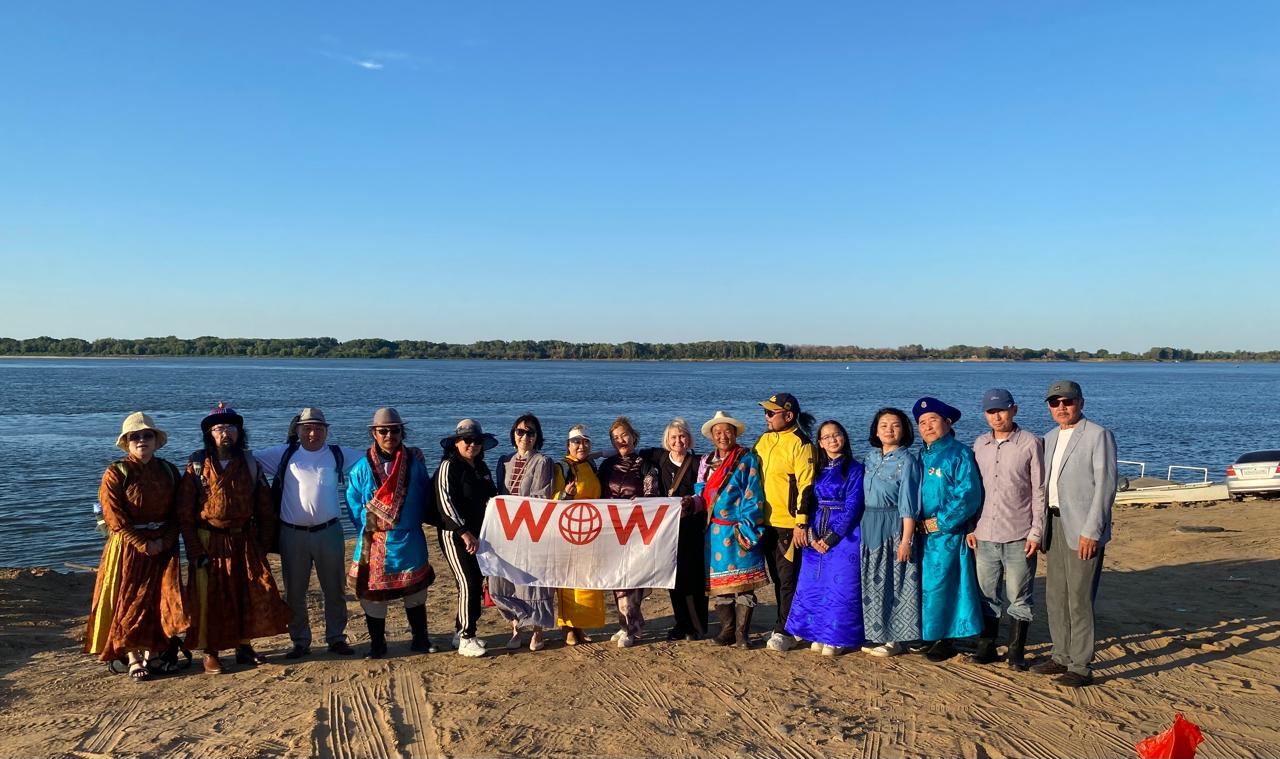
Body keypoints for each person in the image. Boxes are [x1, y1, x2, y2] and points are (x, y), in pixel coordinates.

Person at [178, 403, 291, 674]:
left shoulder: (250, 464)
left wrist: (263, 545)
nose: (224, 433)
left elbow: (265, 508)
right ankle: (211, 651)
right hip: (210, 540)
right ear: (209, 434)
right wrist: (194, 549)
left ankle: (244, 646)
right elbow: (184, 512)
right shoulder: (196, 466)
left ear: (239, 433)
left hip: (244, 540)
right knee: (209, 597)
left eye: (230, 428)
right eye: (218, 429)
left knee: (247, 593)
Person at [85, 412, 187, 681]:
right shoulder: (116, 472)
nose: (142, 440)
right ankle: (131, 656)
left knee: (158, 601)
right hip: (128, 547)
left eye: (147, 435)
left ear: (155, 440)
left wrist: (164, 541)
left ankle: (153, 655)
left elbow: (180, 511)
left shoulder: (168, 470)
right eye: (135, 436)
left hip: (164, 546)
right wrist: (143, 543)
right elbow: (113, 516)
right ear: (127, 443)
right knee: (128, 601)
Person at [253, 407, 361, 659]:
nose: (313, 433)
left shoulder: (337, 454)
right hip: (292, 535)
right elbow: (244, 459)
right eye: (307, 428)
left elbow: (374, 457)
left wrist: (409, 452)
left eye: (319, 428)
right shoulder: (284, 454)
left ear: (326, 430)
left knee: (334, 589)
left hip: (330, 532)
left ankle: (336, 638)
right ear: (298, 430)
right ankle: (300, 641)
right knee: (294, 591)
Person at [1029, 380, 1116, 688]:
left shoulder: (1097, 435)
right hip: (1054, 524)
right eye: (1055, 403)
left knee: (1079, 598)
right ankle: (1060, 655)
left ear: (1081, 402)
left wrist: (1092, 530)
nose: (1061, 407)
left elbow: (1105, 486)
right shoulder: (1050, 437)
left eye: (1067, 401)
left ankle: (1080, 664)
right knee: (1055, 596)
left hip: (1082, 527)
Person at [345, 407, 435, 659]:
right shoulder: (362, 467)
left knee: (416, 592)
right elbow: (353, 502)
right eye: (383, 430)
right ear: (374, 433)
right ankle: (377, 644)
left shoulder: (415, 464)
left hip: (409, 538)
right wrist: (368, 527)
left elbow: (425, 495)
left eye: (394, 430)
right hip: (375, 540)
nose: (389, 435)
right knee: (374, 597)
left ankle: (420, 638)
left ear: (401, 432)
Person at [968, 389, 1046, 670]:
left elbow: (1039, 491)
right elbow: (973, 490)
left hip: (1019, 534)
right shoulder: (979, 444)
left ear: (1014, 410)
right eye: (991, 411)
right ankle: (986, 645)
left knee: (1019, 595)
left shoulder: (1030, 443)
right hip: (984, 533)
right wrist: (971, 526)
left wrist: (1036, 532)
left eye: (1002, 410)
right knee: (986, 593)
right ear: (985, 414)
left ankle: (1016, 651)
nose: (997, 416)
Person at [786, 420, 866, 655]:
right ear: (819, 443)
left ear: (844, 436)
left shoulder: (854, 469)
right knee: (814, 585)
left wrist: (831, 538)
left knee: (840, 586)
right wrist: (810, 534)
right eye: (826, 436)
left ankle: (838, 637)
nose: (832, 439)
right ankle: (815, 632)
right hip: (815, 530)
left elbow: (854, 506)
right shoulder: (815, 470)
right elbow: (806, 500)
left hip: (844, 534)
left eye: (836, 434)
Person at [912, 396, 983, 662]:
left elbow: (967, 494)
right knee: (923, 583)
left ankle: (947, 636)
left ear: (947, 422)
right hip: (919, 533)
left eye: (933, 420)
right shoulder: (919, 456)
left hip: (946, 533)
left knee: (945, 583)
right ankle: (927, 632)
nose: (927, 426)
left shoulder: (959, 453)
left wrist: (939, 522)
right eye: (922, 422)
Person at [695, 411, 768, 648]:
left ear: (735, 433)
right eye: (718, 432)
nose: (723, 436)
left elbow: (753, 494)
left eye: (727, 431)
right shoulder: (706, 463)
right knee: (721, 586)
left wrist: (747, 527)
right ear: (712, 437)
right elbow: (702, 495)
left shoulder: (747, 460)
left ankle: (741, 635)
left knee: (744, 587)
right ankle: (727, 632)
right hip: (714, 533)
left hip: (740, 529)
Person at [754, 393, 816, 653]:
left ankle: (785, 630)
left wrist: (801, 522)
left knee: (789, 579)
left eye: (771, 413)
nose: (766, 417)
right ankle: (786, 623)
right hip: (764, 522)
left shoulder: (801, 443)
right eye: (765, 413)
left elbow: (807, 485)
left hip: (788, 524)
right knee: (778, 578)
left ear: (788, 415)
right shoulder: (764, 439)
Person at [859, 408, 923, 657]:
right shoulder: (870, 458)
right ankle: (876, 633)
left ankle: (895, 639)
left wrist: (906, 540)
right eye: (883, 425)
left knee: (895, 581)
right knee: (872, 580)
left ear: (905, 430)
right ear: (876, 430)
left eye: (895, 425)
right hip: (869, 522)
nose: (889, 429)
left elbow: (909, 503)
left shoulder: (907, 460)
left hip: (894, 522)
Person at [491, 414, 557, 652]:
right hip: (506, 530)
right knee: (504, 582)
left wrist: (515, 506)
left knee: (533, 581)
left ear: (537, 436)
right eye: (521, 432)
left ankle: (537, 631)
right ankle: (516, 625)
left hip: (531, 529)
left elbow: (542, 496)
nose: (525, 437)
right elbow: (499, 491)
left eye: (530, 432)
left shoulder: (542, 461)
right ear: (513, 434)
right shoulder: (503, 461)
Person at [434, 419, 499, 658]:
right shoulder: (449, 466)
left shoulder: (481, 468)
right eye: (467, 440)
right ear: (457, 442)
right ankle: (466, 637)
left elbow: (493, 499)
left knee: (475, 582)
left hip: (479, 534)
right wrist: (463, 532)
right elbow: (445, 502)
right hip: (455, 535)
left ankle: (460, 630)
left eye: (477, 441)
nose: (472, 445)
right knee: (467, 582)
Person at [643, 418, 706, 641]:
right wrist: (598, 454)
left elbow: (706, 493)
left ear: (689, 438)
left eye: (682, 436)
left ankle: (697, 626)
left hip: (693, 528)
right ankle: (681, 624)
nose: (678, 441)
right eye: (673, 437)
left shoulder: (699, 462)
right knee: (674, 577)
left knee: (694, 577)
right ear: (666, 441)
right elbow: (626, 450)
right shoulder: (659, 459)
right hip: (668, 530)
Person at [597, 416, 657, 648]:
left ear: (633, 436)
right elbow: (599, 494)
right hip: (612, 529)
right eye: (615, 438)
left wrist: (639, 503)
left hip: (635, 529)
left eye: (624, 435)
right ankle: (627, 622)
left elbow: (652, 495)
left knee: (631, 579)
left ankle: (630, 627)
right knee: (617, 578)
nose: (621, 440)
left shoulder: (646, 464)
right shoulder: (608, 465)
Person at [551, 424, 607, 645]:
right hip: (568, 532)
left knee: (586, 581)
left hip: (591, 531)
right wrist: (565, 494)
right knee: (567, 583)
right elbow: (552, 499)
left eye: (585, 442)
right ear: (568, 445)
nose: (581, 446)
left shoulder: (591, 466)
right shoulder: (561, 468)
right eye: (576, 442)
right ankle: (568, 628)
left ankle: (581, 626)